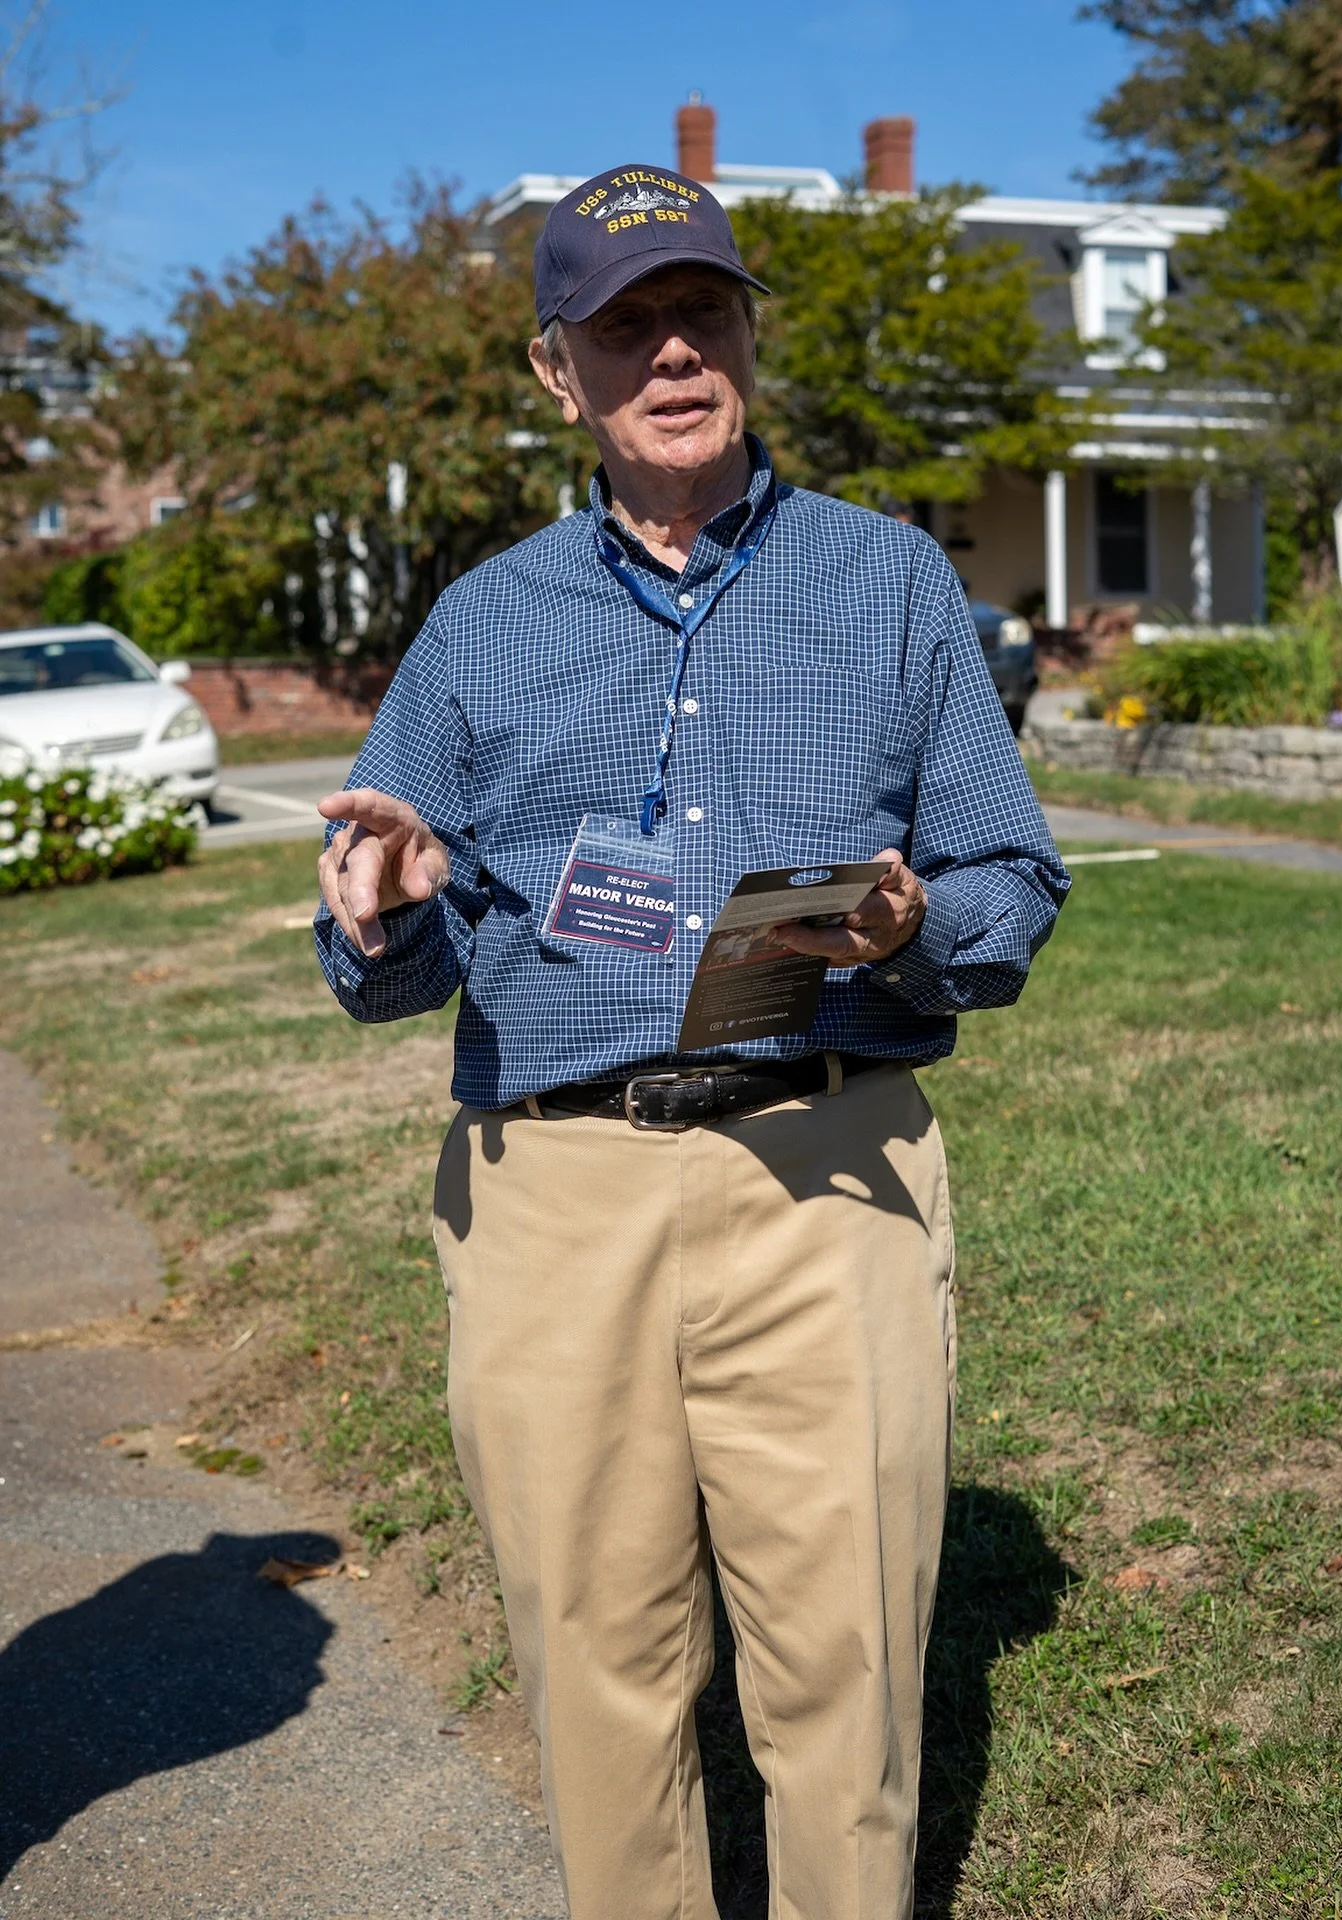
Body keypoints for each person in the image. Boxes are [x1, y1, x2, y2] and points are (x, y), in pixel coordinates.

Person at [314, 161, 1069, 1920]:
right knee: (595, 1668)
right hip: (554, 1192)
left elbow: (1011, 877)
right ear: (555, 371)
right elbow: (380, 958)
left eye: (703, 313)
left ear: (749, 338)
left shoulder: (889, 585)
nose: (673, 353)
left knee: (852, 1663)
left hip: (827, 1172)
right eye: (625, 324)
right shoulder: (485, 624)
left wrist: (914, 927)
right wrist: (384, 909)